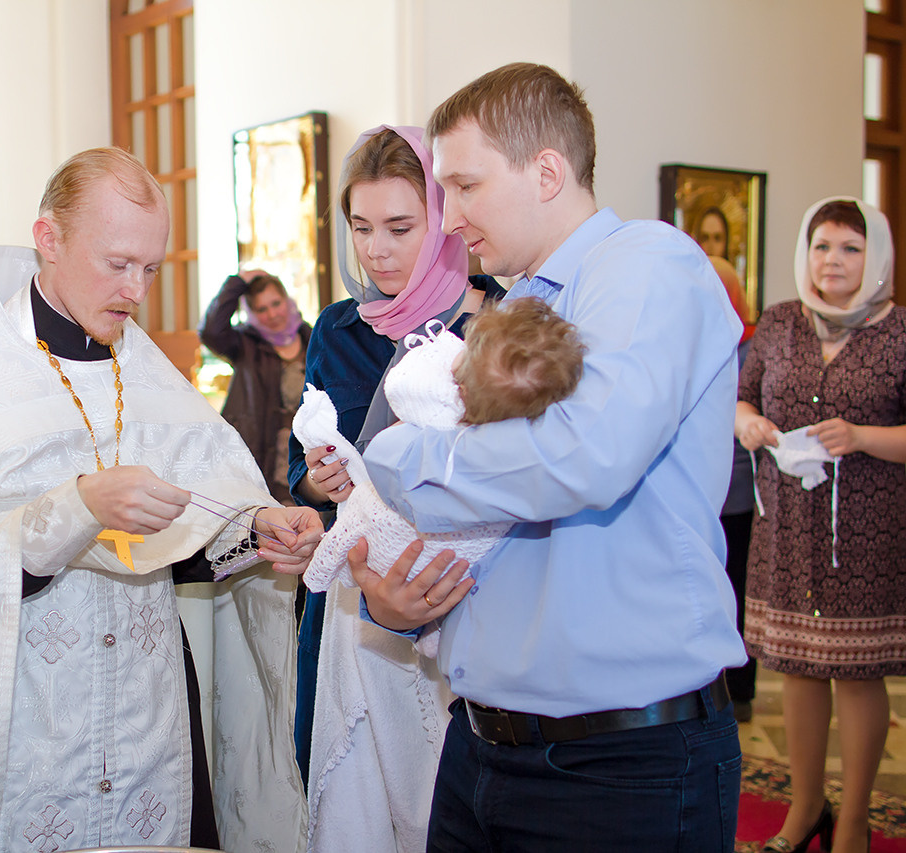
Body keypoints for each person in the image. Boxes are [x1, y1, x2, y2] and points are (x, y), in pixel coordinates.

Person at [0, 148, 322, 853]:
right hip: (24, 720)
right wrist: (79, 505)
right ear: (48, 239)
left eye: (150, 269)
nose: (136, 290)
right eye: (118, 263)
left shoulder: (147, 375)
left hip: (151, 718)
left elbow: (197, 522)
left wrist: (259, 525)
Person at [357, 63, 746, 851]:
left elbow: (582, 456)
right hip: (482, 743)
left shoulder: (647, 264)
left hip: (619, 760)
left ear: (546, 172)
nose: (449, 219)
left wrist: (403, 459)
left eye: (465, 186)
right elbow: (495, 521)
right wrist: (397, 600)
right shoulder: (520, 304)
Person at [288, 125, 501, 853]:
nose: (376, 249)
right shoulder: (339, 329)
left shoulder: (498, 323)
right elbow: (304, 459)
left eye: (401, 228)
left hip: (459, 601)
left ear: (444, 221)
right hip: (355, 600)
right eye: (361, 226)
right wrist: (316, 479)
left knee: (450, 805)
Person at [736, 197, 905, 853]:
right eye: (822, 246)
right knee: (797, 667)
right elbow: (741, 397)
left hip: (868, 533)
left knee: (858, 672)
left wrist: (862, 436)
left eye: (850, 248)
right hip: (787, 528)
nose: (832, 260)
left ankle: (854, 821)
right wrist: (748, 423)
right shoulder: (780, 322)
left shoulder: (899, 333)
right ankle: (805, 808)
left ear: (876, 257)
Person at [298, 298, 584, 658]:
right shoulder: (336, 327)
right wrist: (316, 482)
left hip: (463, 607)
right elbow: (305, 473)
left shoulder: (451, 404)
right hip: (431, 606)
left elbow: (385, 449)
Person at [200, 269, 312, 505]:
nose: (272, 314)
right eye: (261, 309)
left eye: (276, 303)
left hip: (307, 452)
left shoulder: (312, 337)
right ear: (251, 313)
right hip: (261, 452)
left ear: (287, 299)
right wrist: (237, 282)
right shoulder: (245, 343)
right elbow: (211, 331)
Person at [710, 256, 759, 723]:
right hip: (707, 493)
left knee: (739, 587)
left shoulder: (753, 349)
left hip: (740, 494)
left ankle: (741, 687)